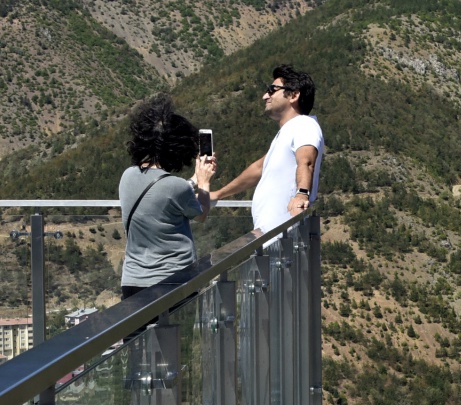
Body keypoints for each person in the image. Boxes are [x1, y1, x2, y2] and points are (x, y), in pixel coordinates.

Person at [118, 93, 216, 299]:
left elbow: (162, 194)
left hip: (132, 281)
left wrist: (193, 180)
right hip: (173, 279)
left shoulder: (127, 176)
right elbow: (201, 214)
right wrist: (204, 181)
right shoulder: (176, 186)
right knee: (172, 331)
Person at [211, 65, 323, 234]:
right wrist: (219, 194)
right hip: (272, 236)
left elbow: (306, 161)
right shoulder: (286, 133)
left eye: (272, 90)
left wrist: (301, 194)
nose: (265, 96)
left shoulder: (304, 124)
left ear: (293, 95)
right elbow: (258, 169)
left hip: (284, 238)